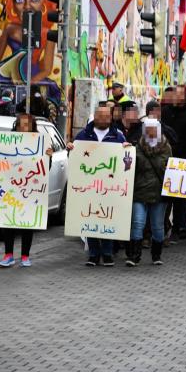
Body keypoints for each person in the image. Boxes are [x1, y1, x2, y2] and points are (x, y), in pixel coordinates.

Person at [68, 103, 128, 267]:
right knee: (90, 218)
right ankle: (93, 254)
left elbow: (126, 160)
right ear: (95, 116)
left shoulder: (118, 136)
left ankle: (107, 254)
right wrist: (71, 148)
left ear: (110, 117)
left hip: (110, 187)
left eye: (106, 116)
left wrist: (127, 150)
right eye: (100, 116)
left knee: (108, 218)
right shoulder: (83, 135)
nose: (103, 119)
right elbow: (74, 157)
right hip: (89, 187)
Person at [0, 113, 54, 268]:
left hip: (30, 189)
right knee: (8, 221)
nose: (23, 128)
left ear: (32, 126)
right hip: (11, 188)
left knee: (27, 222)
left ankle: (25, 255)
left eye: (26, 125)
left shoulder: (40, 142)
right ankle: (8, 254)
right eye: (20, 124)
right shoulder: (8, 141)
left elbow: (45, 169)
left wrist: (48, 157)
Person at [125, 118, 171, 267]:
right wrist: (126, 151)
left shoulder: (166, 148)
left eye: (153, 129)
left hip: (158, 193)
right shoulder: (136, 147)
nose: (150, 132)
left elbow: (166, 168)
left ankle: (156, 254)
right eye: (148, 129)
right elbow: (130, 167)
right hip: (140, 191)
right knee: (137, 223)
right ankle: (134, 255)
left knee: (157, 226)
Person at [163, 85, 186, 239]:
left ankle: (180, 226)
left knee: (179, 197)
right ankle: (165, 225)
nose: (176, 97)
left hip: (181, 161)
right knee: (165, 197)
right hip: (164, 160)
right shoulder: (165, 112)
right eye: (175, 94)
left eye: (180, 94)